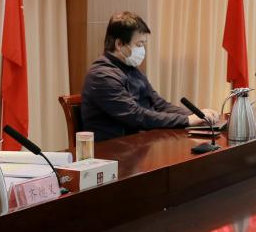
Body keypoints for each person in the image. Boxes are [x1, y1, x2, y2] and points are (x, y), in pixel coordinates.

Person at [81, 12, 218, 142]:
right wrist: (187, 120)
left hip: (138, 143)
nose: (142, 49)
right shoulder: (101, 76)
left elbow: (159, 104)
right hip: (113, 150)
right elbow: (136, 115)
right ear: (119, 44)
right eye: (139, 44)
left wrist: (196, 115)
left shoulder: (130, 69)